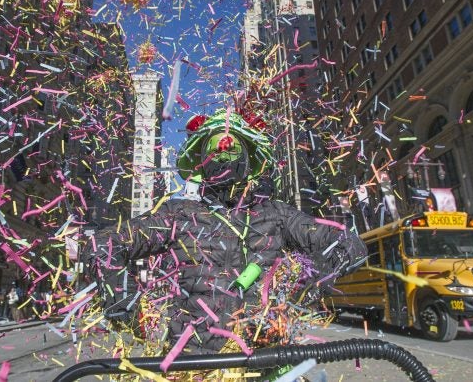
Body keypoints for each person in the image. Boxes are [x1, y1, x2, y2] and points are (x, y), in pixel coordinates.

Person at [84, 109, 367, 356]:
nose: (224, 152)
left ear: (248, 161)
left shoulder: (276, 215)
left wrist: (310, 282)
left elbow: (341, 243)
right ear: (202, 161)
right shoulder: (179, 214)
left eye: (232, 149)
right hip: (195, 365)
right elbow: (105, 244)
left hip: (263, 361)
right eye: (216, 149)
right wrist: (126, 306)